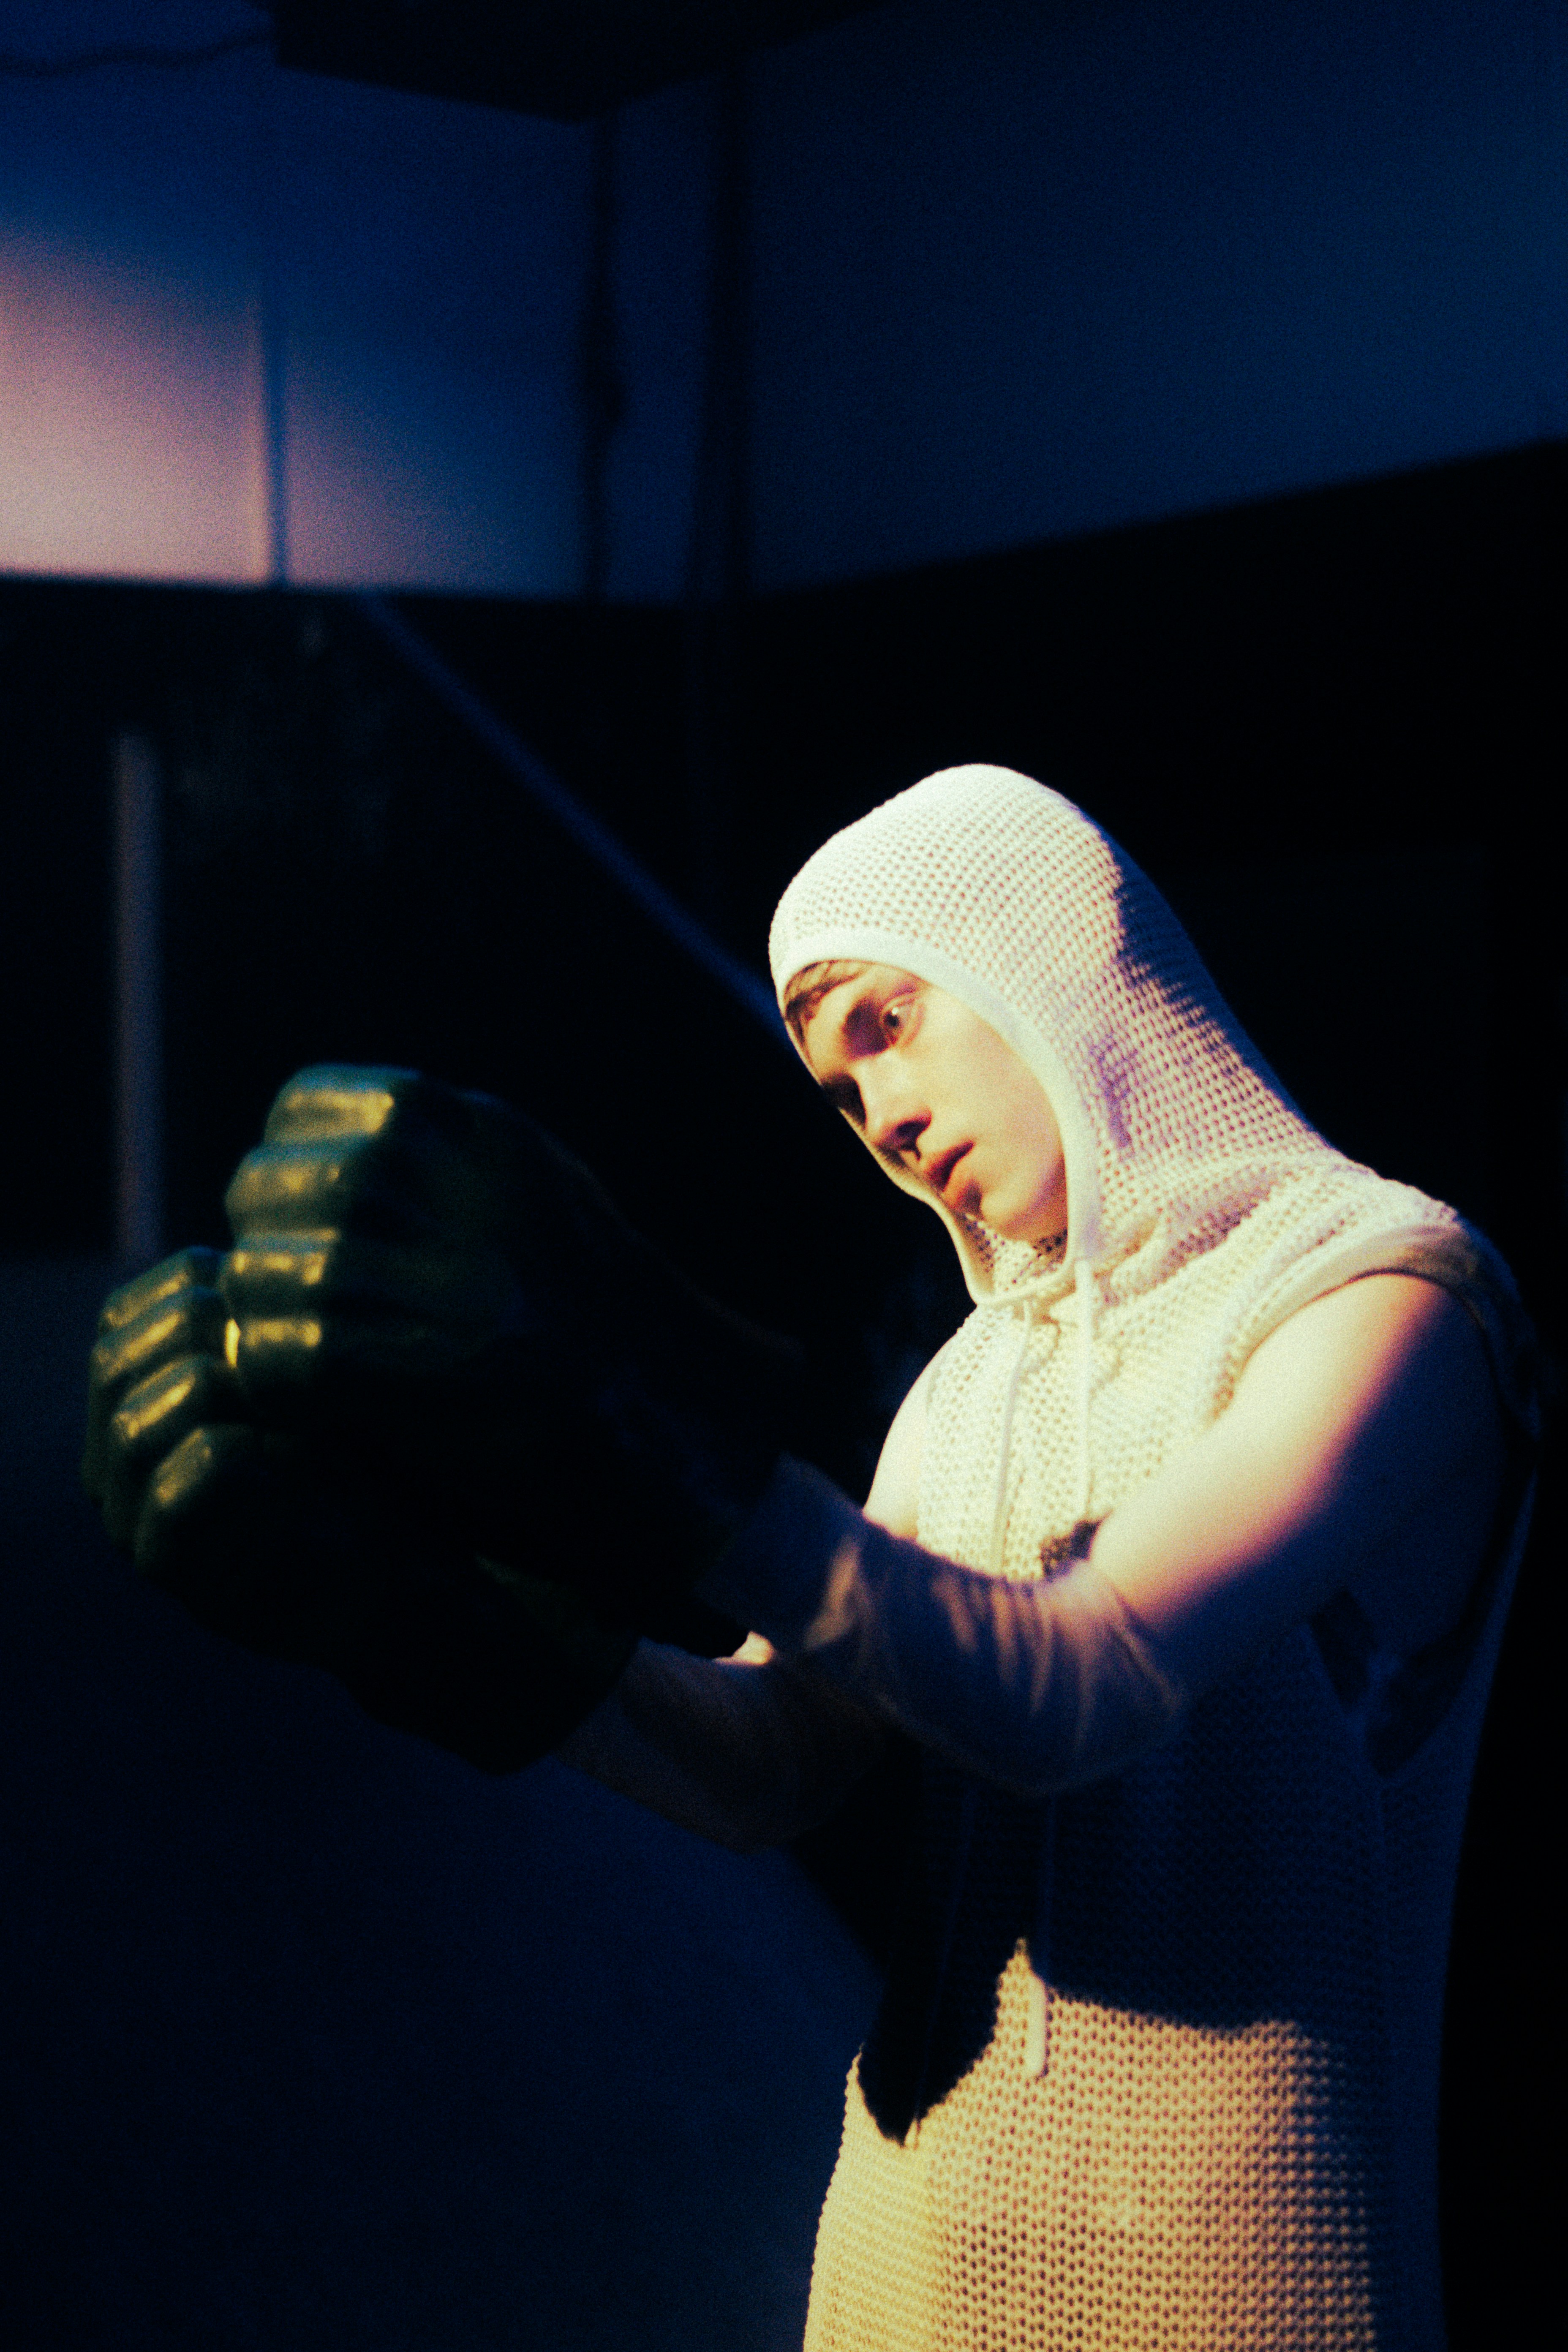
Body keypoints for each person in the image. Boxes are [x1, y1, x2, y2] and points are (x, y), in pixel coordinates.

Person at [85, 765, 1538, 2349]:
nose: (884, 1118)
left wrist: (661, 1421)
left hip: (1249, 2291)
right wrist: (428, 1619)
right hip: (906, 2267)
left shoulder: (1387, 1299)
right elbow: (773, 1763)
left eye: (888, 1023)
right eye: (841, 1092)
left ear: (1050, 953)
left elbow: (1078, 1682)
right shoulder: (970, 1386)